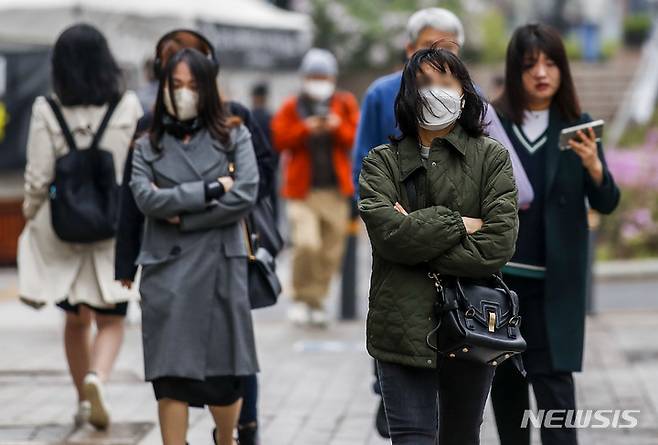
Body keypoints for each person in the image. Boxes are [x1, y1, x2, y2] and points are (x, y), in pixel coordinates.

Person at [350, 7, 534, 437]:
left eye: (445, 81)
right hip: (399, 329)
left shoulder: (492, 158)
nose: (435, 92)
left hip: (471, 323)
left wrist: (416, 228)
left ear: (465, 93)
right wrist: (460, 222)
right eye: (424, 83)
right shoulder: (382, 162)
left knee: (460, 436)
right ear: (408, 96)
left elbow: (498, 246)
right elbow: (389, 238)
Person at [114, 30, 275, 445]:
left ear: (208, 88)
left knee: (223, 378)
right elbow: (144, 199)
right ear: (163, 87)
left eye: (192, 85)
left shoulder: (233, 132)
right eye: (176, 85)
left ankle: (226, 437)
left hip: (221, 265)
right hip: (166, 267)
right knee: (170, 379)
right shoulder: (147, 141)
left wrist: (182, 217)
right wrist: (209, 190)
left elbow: (245, 193)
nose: (184, 93)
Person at [489, 24, 620, 445]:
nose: (541, 73)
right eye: (530, 65)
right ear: (515, 71)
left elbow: (607, 201)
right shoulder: (494, 125)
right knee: (507, 398)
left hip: (554, 287)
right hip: (500, 285)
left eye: (550, 63)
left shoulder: (577, 127)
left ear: (562, 69)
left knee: (556, 397)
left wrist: (595, 169)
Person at [17, 24, 143, 429]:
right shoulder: (128, 106)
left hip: (63, 229)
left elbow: (38, 176)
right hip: (114, 227)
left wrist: (30, 213)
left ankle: (82, 401)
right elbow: (136, 169)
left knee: (75, 319)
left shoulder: (46, 109)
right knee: (112, 318)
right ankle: (97, 379)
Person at [271, 48, 359, 327]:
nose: (318, 81)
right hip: (302, 191)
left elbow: (355, 138)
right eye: (313, 76)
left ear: (333, 78)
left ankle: (317, 300)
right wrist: (305, 129)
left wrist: (336, 127)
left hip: (335, 191)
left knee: (331, 251)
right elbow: (279, 139)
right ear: (304, 77)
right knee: (307, 244)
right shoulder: (291, 106)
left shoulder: (344, 104)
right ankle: (299, 297)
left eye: (323, 76)